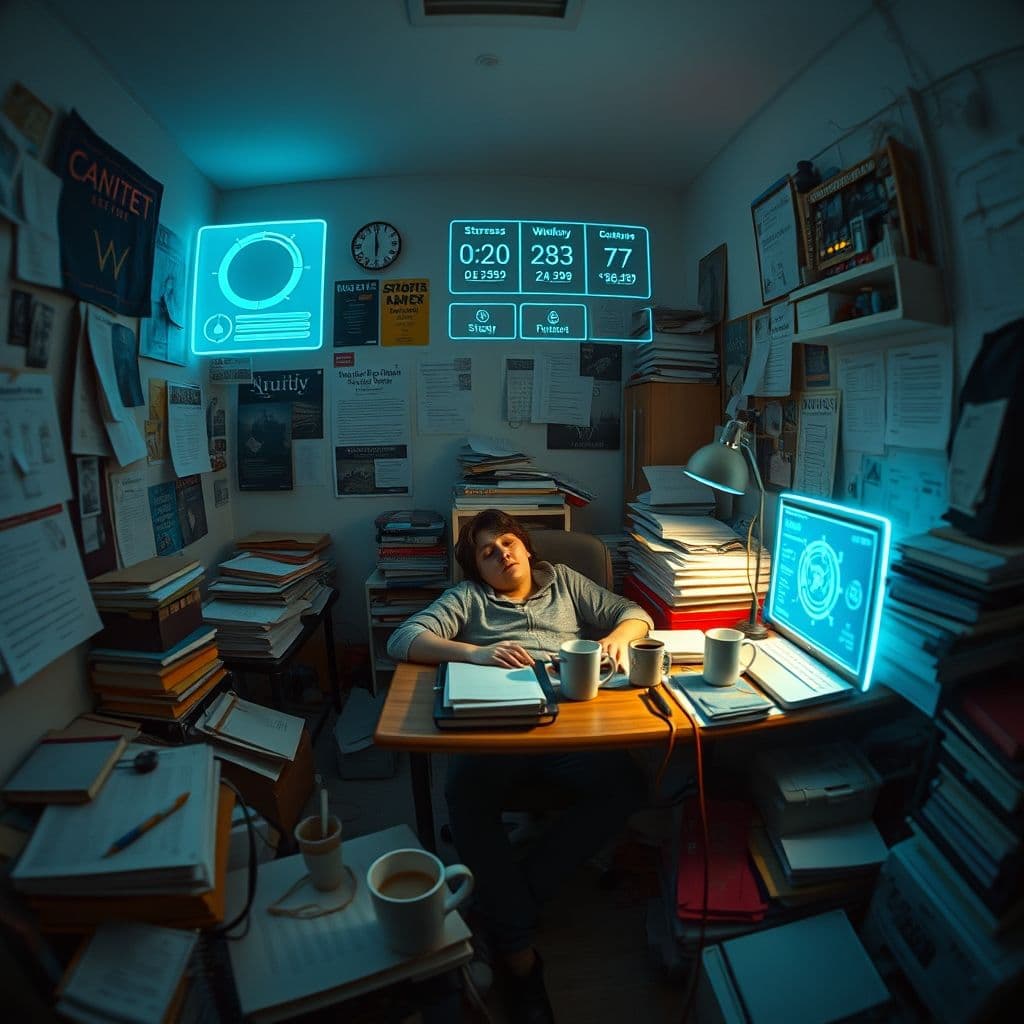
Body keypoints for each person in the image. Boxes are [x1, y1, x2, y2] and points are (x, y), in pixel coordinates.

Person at [386, 509, 653, 1023]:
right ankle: (520, 956)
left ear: (527, 548)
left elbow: (634, 611)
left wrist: (620, 637)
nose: (502, 554)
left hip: (567, 724)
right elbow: (403, 638)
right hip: (497, 730)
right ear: (478, 571)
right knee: (464, 793)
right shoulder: (469, 600)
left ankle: (501, 911)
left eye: (508, 543)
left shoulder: (567, 582)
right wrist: (474, 654)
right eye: (488, 553)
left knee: (626, 783)